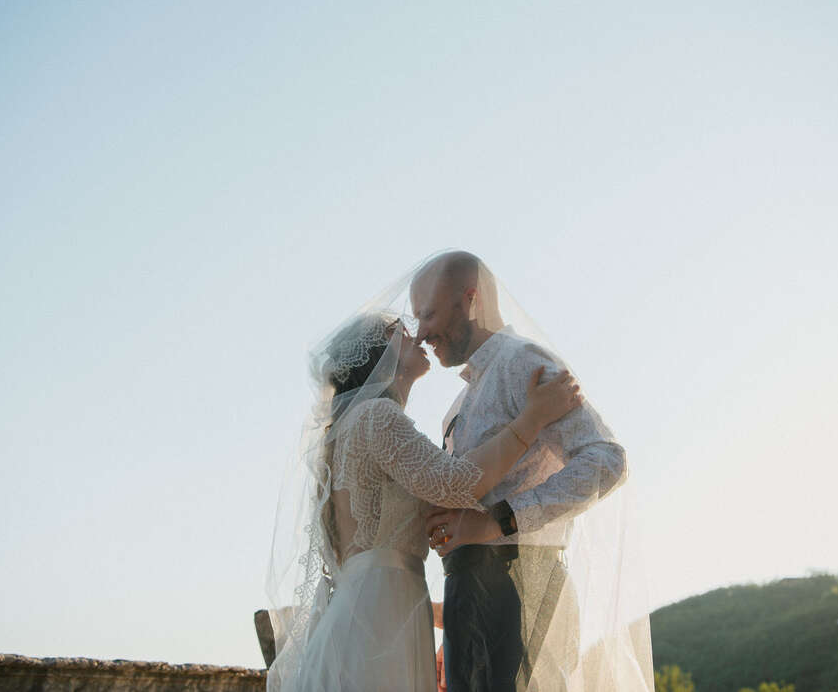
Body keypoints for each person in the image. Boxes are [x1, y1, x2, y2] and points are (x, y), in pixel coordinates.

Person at [265, 310, 583, 692]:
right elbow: (454, 483)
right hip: (380, 621)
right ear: (377, 354)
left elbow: (375, 553)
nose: (415, 336)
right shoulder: (376, 416)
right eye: (400, 331)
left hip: (375, 607)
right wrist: (533, 418)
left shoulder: (347, 429)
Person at [409, 251, 652, 692]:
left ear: (472, 300)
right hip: (476, 595)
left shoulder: (523, 363)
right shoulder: (459, 404)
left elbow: (606, 459)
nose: (420, 332)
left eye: (427, 314)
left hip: (522, 588)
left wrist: (500, 519)